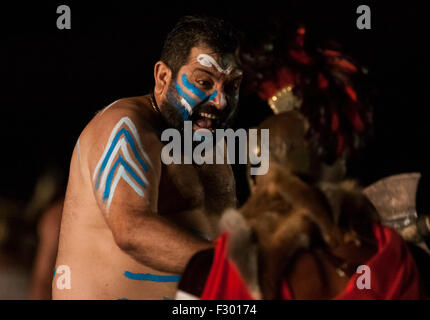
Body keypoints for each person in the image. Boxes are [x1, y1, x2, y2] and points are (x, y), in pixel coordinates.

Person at [53, 16, 243, 300]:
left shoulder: (205, 140)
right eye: (204, 82)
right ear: (163, 77)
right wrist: (237, 270)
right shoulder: (125, 125)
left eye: (232, 86)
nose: (220, 101)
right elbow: (130, 228)